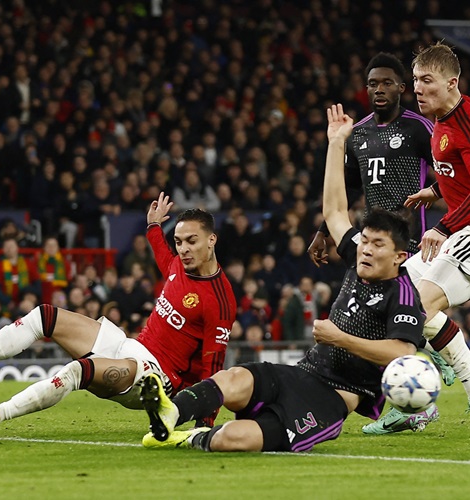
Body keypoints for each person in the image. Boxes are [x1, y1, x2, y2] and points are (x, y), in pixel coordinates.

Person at [138, 104, 426, 453]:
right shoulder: (356, 255)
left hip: (332, 399)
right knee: (234, 378)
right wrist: (336, 143)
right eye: (364, 240)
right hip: (302, 372)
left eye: (377, 244)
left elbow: (402, 351)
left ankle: (194, 437)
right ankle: (169, 414)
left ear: (399, 256)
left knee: (234, 438)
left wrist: (341, 338)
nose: (364, 249)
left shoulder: (404, 292)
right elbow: (335, 211)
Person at [0, 193, 236, 435]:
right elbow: (160, 249)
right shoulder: (177, 267)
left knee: (78, 370)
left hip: (158, 378)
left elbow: (214, 366)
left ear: (212, 240)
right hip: (130, 347)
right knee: (44, 316)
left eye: (192, 241)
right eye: (179, 242)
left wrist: (203, 427)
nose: (183, 249)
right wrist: (154, 226)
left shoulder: (219, 300)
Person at [369, 42, 470, 437]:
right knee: (390, 298)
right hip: (462, 229)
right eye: (415, 80)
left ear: (452, 83)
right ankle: (414, 403)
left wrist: (444, 225)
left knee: (419, 305)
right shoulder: (443, 123)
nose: (418, 88)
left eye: (426, 81)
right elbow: (461, 173)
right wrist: (435, 190)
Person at [308, 52, 434, 263]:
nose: (380, 89)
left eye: (387, 83)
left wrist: (437, 197)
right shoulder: (355, 133)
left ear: (401, 88)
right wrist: (323, 231)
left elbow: (448, 171)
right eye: (373, 84)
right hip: (370, 243)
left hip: (410, 244)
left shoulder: (418, 128)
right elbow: (349, 186)